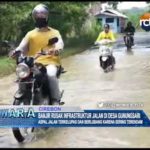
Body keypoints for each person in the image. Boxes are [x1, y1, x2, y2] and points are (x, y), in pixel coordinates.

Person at [10, 4, 64, 105]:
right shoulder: (30, 34)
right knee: (23, 77)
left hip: (50, 63)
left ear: (47, 17)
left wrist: (56, 49)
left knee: (51, 75)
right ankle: (23, 94)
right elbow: (22, 46)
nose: (40, 18)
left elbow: (59, 43)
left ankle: (55, 100)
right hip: (34, 63)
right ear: (34, 18)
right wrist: (16, 51)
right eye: (37, 16)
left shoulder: (54, 32)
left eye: (42, 15)